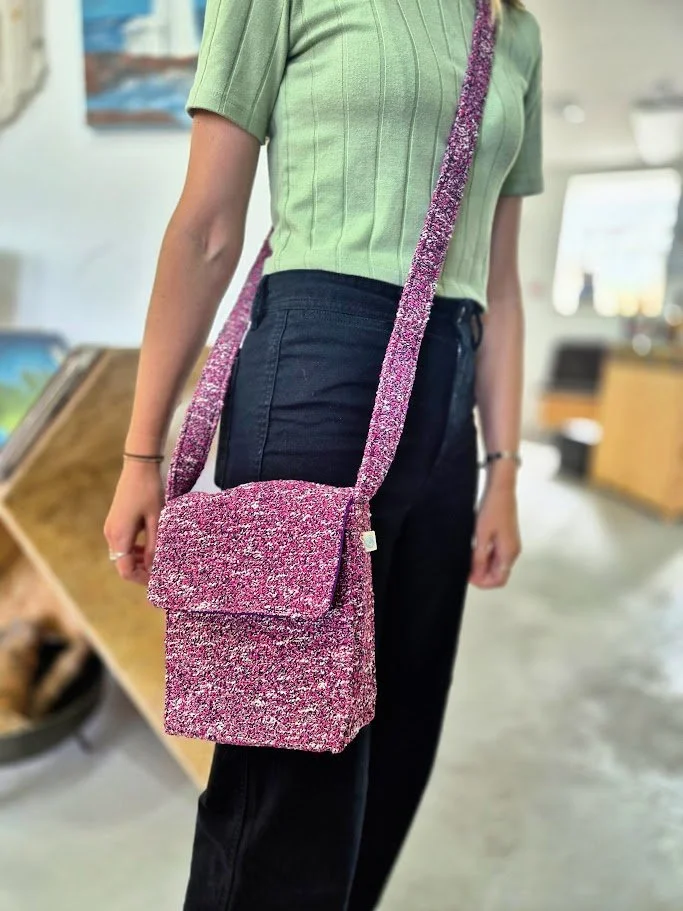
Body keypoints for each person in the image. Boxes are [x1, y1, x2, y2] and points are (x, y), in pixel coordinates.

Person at [104, 0, 544, 907]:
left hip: (450, 378)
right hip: (317, 370)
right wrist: (141, 453)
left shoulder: (513, 29)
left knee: (400, 733)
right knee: (289, 769)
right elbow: (208, 228)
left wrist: (501, 466)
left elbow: (498, 277)